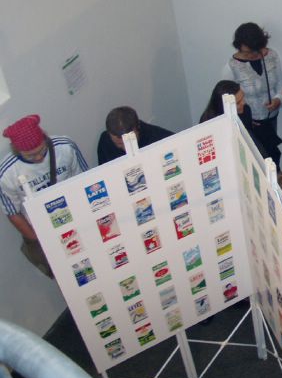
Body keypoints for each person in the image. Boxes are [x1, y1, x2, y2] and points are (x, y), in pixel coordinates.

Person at [0, 115, 88, 277]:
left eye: (41, 150)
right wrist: (39, 241)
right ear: (17, 151)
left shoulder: (65, 147)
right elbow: (13, 213)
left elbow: (84, 180)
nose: (39, 158)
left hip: (77, 219)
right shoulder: (7, 174)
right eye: (31, 156)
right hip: (43, 231)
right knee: (67, 276)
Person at [222, 22, 282, 169]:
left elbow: (281, 82)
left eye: (252, 51)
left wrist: (278, 99)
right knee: (255, 162)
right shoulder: (231, 66)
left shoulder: (272, 56)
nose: (249, 55)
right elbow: (227, 100)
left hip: (271, 119)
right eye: (245, 52)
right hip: (249, 124)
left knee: (272, 157)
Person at [200, 80, 267, 158]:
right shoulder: (208, 124)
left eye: (243, 97)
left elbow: (250, 140)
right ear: (223, 106)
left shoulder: (245, 110)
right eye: (238, 102)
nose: (244, 103)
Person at [97, 106, 173, 164]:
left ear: (138, 128)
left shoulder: (162, 139)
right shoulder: (105, 142)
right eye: (119, 144)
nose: (125, 148)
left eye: (129, 141)